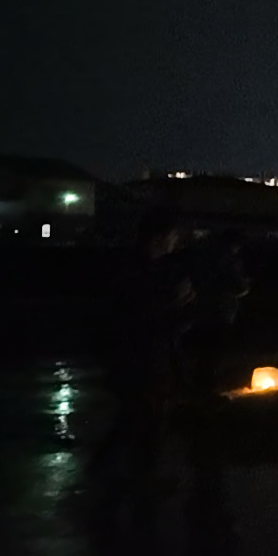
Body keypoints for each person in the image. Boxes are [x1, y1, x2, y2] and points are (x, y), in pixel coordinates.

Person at [90, 207, 194, 499]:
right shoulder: (137, 272)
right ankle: (129, 475)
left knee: (139, 419)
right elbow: (138, 317)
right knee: (143, 419)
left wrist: (181, 308)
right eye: (174, 236)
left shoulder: (148, 269)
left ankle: (121, 472)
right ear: (160, 236)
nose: (176, 242)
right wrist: (177, 304)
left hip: (149, 358)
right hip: (142, 360)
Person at [188, 229, 249, 396]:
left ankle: (198, 386)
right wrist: (244, 286)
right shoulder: (228, 260)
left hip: (202, 311)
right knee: (215, 353)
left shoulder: (204, 257)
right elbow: (239, 286)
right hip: (221, 312)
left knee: (204, 352)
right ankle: (208, 390)